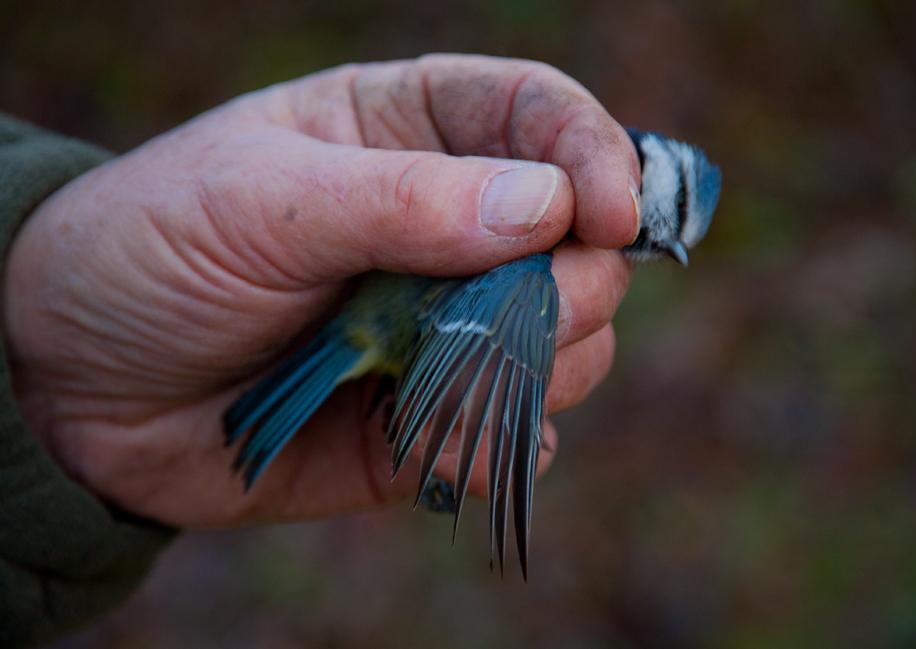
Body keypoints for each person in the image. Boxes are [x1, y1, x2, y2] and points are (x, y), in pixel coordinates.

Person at [0, 53, 637, 645]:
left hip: (366, 333)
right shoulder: (526, 264)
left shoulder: (526, 271)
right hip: (378, 331)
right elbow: (484, 353)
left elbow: (471, 352)